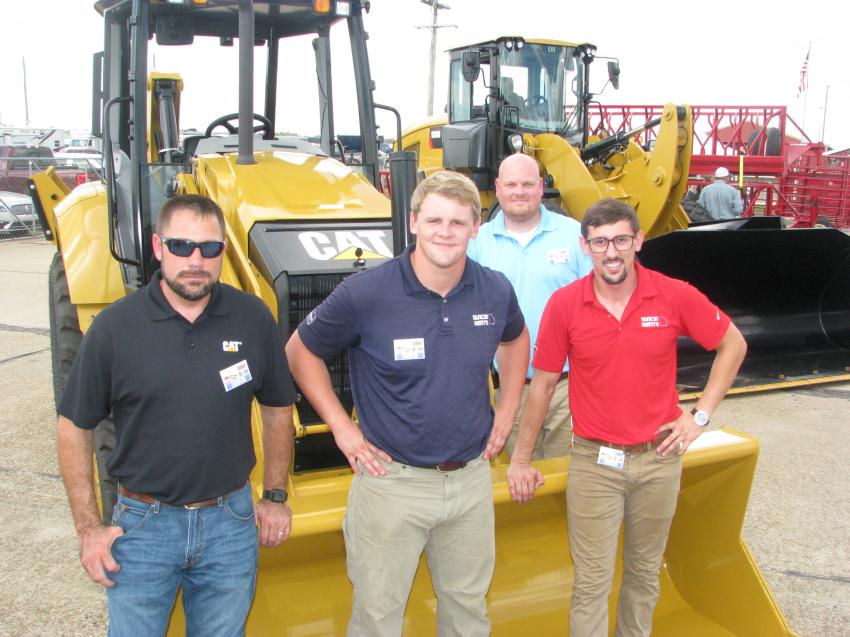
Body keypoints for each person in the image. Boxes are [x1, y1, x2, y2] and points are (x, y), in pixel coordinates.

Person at [285, 170, 529, 637]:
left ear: (476, 227)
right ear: (414, 222)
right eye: (434, 219)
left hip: (471, 481)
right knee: (378, 617)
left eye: (458, 222)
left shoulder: (494, 289)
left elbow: (517, 341)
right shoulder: (368, 292)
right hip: (390, 484)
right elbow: (300, 350)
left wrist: (509, 408)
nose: (445, 232)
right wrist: (342, 428)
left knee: (468, 611)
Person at [56, 194, 297, 637]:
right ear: (157, 247)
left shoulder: (252, 318)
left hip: (231, 523)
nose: (195, 260)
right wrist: (89, 528)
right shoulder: (115, 327)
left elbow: (279, 406)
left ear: (223, 252)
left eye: (209, 248)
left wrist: (275, 496)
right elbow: (74, 424)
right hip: (145, 528)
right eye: (182, 246)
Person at [506, 198, 746, 637]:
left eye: (620, 239)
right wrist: (521, 459)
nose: (611, 252)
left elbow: (733, 344)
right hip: (595, 464)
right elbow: (541, 386)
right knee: (592, 581)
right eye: (600, 242)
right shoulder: (564, 305)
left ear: (638, 241)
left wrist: (700, 416)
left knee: (643, 573)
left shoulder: (673, 294)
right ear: (585, 246)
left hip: (659, 459)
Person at [468, 153, 592, 459]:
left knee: (569, 475)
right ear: (498, 187)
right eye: (511, 184)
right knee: (520, 481)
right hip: (512, 388)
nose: (519, 191)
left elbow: (597, 302)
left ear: (540, 186)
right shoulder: (477, 242)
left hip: (568, 386)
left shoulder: (573, 234)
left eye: (527, 183)